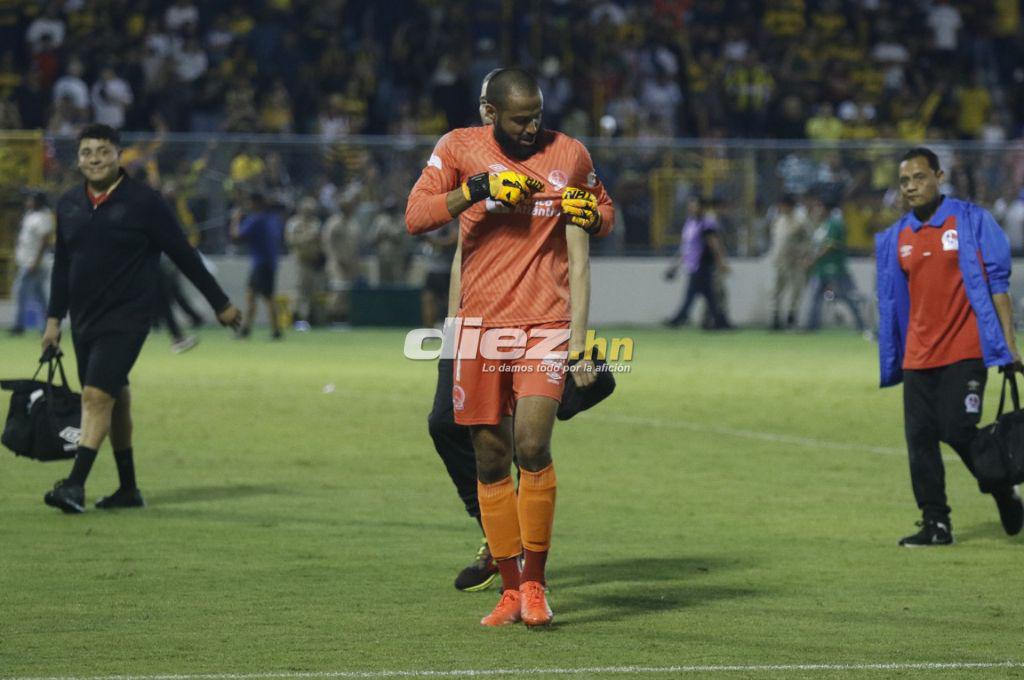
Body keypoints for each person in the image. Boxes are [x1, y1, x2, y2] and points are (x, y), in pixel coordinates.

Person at [407, 68, 614, 627]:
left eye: (538, 117)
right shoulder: (458, 148)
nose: (532, 128)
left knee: (532, 445)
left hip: (544, 324)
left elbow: (605, 212)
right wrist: (476, 189)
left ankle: (538, 586)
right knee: (490, 455)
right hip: (479, 326)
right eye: (522, 119)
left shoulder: (568, 152)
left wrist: (591, 213)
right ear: (490, 114)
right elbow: (416, 216)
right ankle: (510, 587)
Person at [41, 124, 241, 514]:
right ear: (78, 158)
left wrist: (220, 303)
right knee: (115, 396)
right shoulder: (67, 204)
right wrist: (53, 320)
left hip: (129, 316)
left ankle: (74, 485)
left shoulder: (144, 202)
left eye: (103, 150)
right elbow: (62, 265)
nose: (95, 158)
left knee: (96, 396)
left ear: (119, 154)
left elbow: (183, 253)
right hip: (84, 318)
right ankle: (128, 489)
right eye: (87, 152)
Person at [876, 146, 1024, 547]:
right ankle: (935, 524)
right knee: (920, 440)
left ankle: (1000, 489)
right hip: (918, 355)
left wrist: (1009, 347)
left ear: (939, 177)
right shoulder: (896, 238)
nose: (911, 187)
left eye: (919, 177)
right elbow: (894, 302)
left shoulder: (971, 221)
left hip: (965, 350)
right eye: (904, 181)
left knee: (958, 430)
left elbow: (998, 286)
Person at [664, 195, 732, 329]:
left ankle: (679, 318)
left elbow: (714, 244)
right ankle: (719, 321)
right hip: (692, 264)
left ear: (701, 208)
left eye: (694, 206)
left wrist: (720, 262)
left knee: (692, 294)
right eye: (690, 206)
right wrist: (676, 265)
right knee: (709, 295)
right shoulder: (690, 223)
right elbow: (685, 247)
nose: (691, 208)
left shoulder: (706, 224)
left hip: (702, 264)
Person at [804, 196, 866, 332]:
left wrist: (813, 259)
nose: (815, 210)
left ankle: (862, 325)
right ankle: (810, 326)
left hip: (835, 268)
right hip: (820, 269)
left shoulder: (834, 224)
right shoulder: (822, 226)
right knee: (815, 298)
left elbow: (829, 246)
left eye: (818, 207)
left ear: (825, 209)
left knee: (848, 296)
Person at [231, 190, 284, 340]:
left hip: (260, 263)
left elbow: (236, 236)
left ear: (256, 203)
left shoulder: (256, 220)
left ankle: (266, 330)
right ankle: (264, 330)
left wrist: (236, 219)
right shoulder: (273, 218)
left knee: (259, 297)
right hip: (270, 262)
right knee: (261, 296)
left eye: (250, 202)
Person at [9, 191, 54, 335]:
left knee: (21, 292)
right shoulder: (31, 214)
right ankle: (46, 327)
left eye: (31, 199)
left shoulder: (43, 216)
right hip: (28, 261)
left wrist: (35, 261)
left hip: (34, 263)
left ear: (38, 201)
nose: (28, 202)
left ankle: (19, 325)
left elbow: (44, 241)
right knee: (39, 296)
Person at [768, 194, 811, 329]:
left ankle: (791, 317)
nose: (780, 208)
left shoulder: (801, 221)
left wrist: (802, 255)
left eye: (783, 205)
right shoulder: (779, 221)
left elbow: (808, 241)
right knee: (776, 290)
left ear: (789, 206)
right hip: (779, 261)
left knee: (795, 290)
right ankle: (775, 318)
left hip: (794, 261)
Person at [285, 196, 325, 327]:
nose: (309, 212)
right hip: (300, 262)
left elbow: (321, 242)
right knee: (300, 292)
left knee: (314, 293)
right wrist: (308, 237)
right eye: (307, 209)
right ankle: (298, 319)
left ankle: (312, 320)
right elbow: (291, 241)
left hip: (314, 263)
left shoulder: (316, 223)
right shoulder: (294, 223)